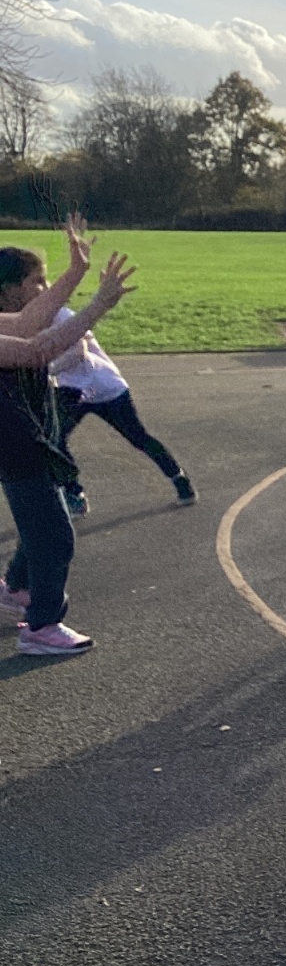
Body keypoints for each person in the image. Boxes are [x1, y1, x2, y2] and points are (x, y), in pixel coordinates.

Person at [0, 222, 136, 654]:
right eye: (33, 281)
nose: (41, 288)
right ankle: (41, 627)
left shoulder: (8, 316)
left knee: (40, 527)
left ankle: (16, 590)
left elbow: (28, 322)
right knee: (56, 537)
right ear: (7, 289)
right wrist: (98, 305)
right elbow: (35, 349)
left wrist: (77, 271)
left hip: (25, 439)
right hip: (16, 445)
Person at [49, 310, 195, 516]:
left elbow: (78, 351)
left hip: (104, 387)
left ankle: (179, 478)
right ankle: (75, 494)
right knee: (54, 439)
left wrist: (47, 370)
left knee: (138, 437)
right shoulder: (27, 320)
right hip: (72, 391)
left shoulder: (63, 315)